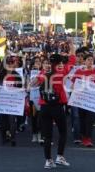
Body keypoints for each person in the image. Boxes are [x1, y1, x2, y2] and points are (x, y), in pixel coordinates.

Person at [33, 40, 76, 169]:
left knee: (47, 136)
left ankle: (48, 160)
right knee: (63, 132)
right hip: (57, 106)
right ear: (59, 63)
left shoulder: (42, 74)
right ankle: (60, 157)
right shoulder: (61, 72)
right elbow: (72, 59)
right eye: (61, 62)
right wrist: (72, 47)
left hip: (44, 107)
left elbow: (32, 84)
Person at [72, 53, 95, 147]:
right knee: (82, 119)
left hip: (91, 100)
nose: (90, 62)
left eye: (92, 60)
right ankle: (83, 136)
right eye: (88, 60)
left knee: (90, 119)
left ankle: (88, 139)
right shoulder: (78, 71)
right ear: (84, 61)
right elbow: (73, 84)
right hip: (80, 99)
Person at [0, 55, 23, 147]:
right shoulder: (0, 74)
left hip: (12, 100)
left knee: (12, 120)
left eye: (11, 63)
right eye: (8, 63)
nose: (10, 65)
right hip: (3, 100)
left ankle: (13, 138)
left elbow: (20, 86)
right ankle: (4, 137)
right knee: (3, 120)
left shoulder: (17, 75)